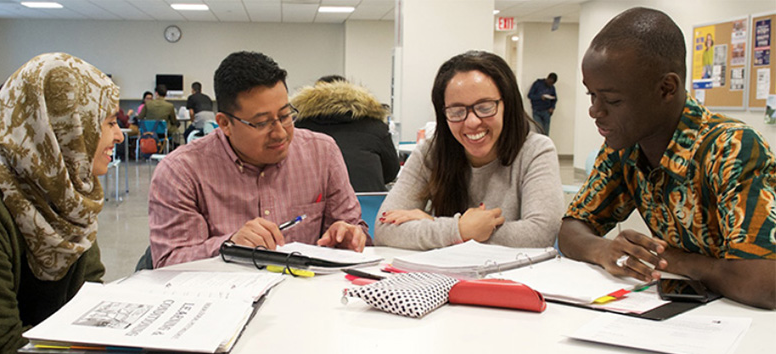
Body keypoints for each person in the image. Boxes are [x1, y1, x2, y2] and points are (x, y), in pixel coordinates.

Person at [560, 7, 776, 310]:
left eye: (612, 100)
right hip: (693, 308)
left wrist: (674, 259)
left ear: (666, 89)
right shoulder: (623, 147)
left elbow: (762, 283)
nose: (595, 111)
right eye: (591, 96)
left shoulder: (732, 148)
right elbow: (571, 230)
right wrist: (604, 250)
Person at [0, 52, 124, 353]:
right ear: (64, 128)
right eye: (108, 123)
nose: (118, 135)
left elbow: (91, 297)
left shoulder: (70, 196)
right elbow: (0, 344)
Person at [148, 51, 370, 268]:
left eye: (285, 116)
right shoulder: (181, 172)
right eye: (262, 123)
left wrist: (349, 235)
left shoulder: (322, 152)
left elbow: (354, 231)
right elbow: (169, 262)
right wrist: (230, 246)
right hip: (227, 298)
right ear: (225, 124)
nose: (280, 133)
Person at [374, 51, 563, 251]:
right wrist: (459, 229)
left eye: (485, 107)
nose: (472, 122)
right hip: (443, 279)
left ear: (507, 104)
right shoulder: (431, 153)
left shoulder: (535, 151)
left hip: (513, 277)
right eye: (456, 111)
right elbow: (384, 229)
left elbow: (541, 234)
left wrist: (442, 226)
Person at [292, 76, 399, 192]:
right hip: (368, 203)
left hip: (315, 203)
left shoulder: (299, 127)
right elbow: (391, 172)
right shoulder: (376, 126)